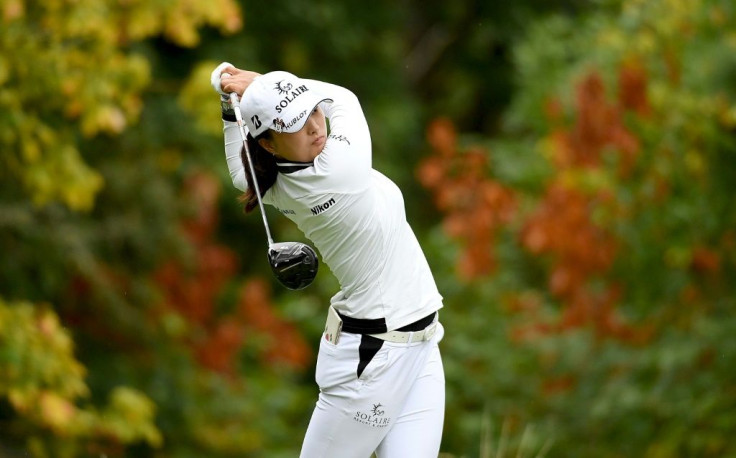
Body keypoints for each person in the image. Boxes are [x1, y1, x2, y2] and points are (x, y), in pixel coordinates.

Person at [210, 62, 445, 457]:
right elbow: (346, 99)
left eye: (314, 111)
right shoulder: (338, 169)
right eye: (295, 124)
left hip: (420, 343)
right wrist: (257, 85)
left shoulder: (274, 180)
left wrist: (231, 103)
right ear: (268, 142)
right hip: (372, 359)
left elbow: (238, 172)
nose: (316, 127)